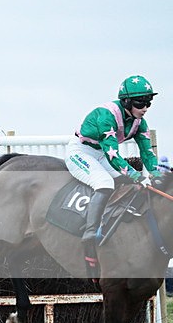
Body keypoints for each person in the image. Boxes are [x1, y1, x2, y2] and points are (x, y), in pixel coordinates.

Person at [65, 75, 163, 279]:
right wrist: (137, 175)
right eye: (141, 103)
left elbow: (147, 154)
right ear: (126, 102)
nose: (145, 108)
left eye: (148, 102)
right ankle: (90, 232)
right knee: (104, 183)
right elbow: (114, 155)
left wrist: (157, 176)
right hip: (81, 153)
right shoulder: (107, 116)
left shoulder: (140, 123)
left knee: (127, 181)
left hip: (100, 155)